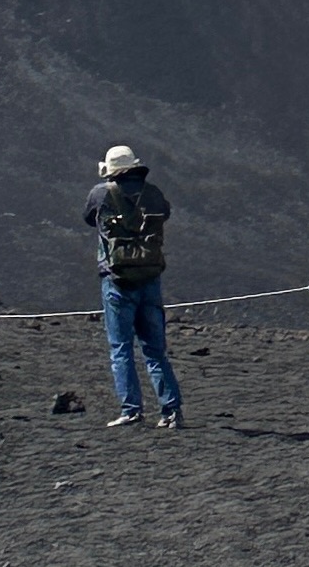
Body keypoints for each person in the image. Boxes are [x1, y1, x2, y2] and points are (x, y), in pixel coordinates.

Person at [82, 144, 183, 427]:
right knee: (154, 349)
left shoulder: (101, 193)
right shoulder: (153, 194)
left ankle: (131, 409)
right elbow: (166, 213)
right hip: (150, 277)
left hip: (117, 279)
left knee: (121, 348)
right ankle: (172, 411)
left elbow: (89, 218)